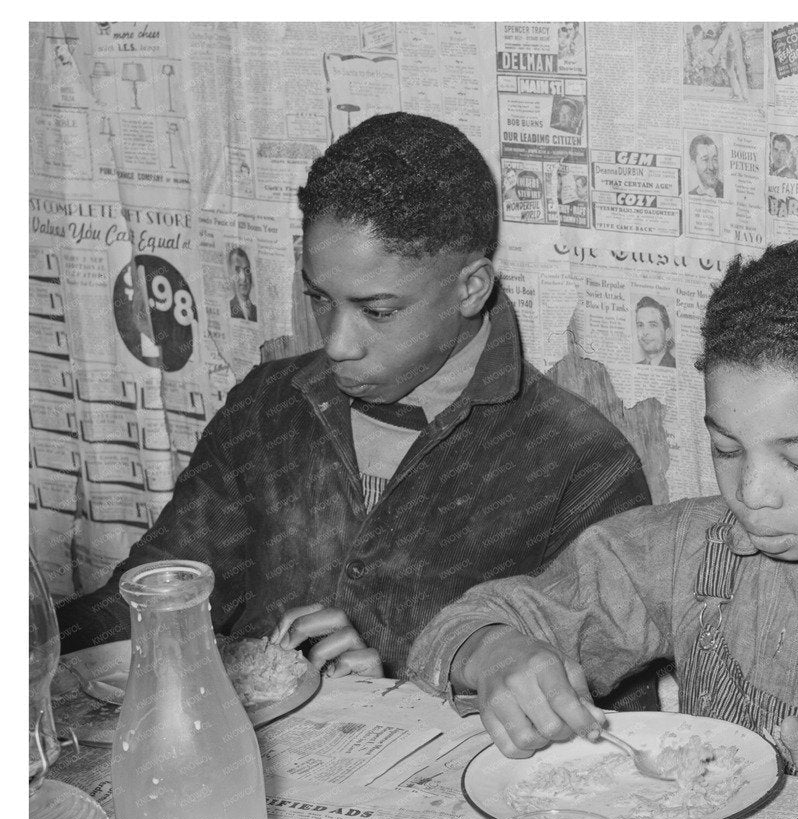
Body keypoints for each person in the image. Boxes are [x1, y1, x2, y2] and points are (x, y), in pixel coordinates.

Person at [407, 238, 798, 798]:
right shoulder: (686, 550)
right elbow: (463, 625)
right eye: (727, 449)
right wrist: (491, 652)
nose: (753, 493)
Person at [57, 112, 650, 678]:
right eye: (320, 298)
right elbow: (155, 598)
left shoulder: (577, 464)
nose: (336, 344)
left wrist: (403, 690)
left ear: (470, 289)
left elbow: (607, 726)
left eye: (379, 311)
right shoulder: (270, 407)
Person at [634, 296, 675, 367]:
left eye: (652, 325)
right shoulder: (636, 366)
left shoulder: (674, 365)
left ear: (667, 334)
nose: (645, 332)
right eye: (640, 325)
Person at [227, 245, 258, 322]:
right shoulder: (227, 309)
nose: (243, 278)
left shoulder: (258, 311)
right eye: (237, 270)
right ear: (230, 275)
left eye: (247, 270)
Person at [688, 134, 723, 198]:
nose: (711, 167)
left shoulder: (727, 191)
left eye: (714, 159)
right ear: (694, 165)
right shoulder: (690, 195)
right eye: (705, 160)